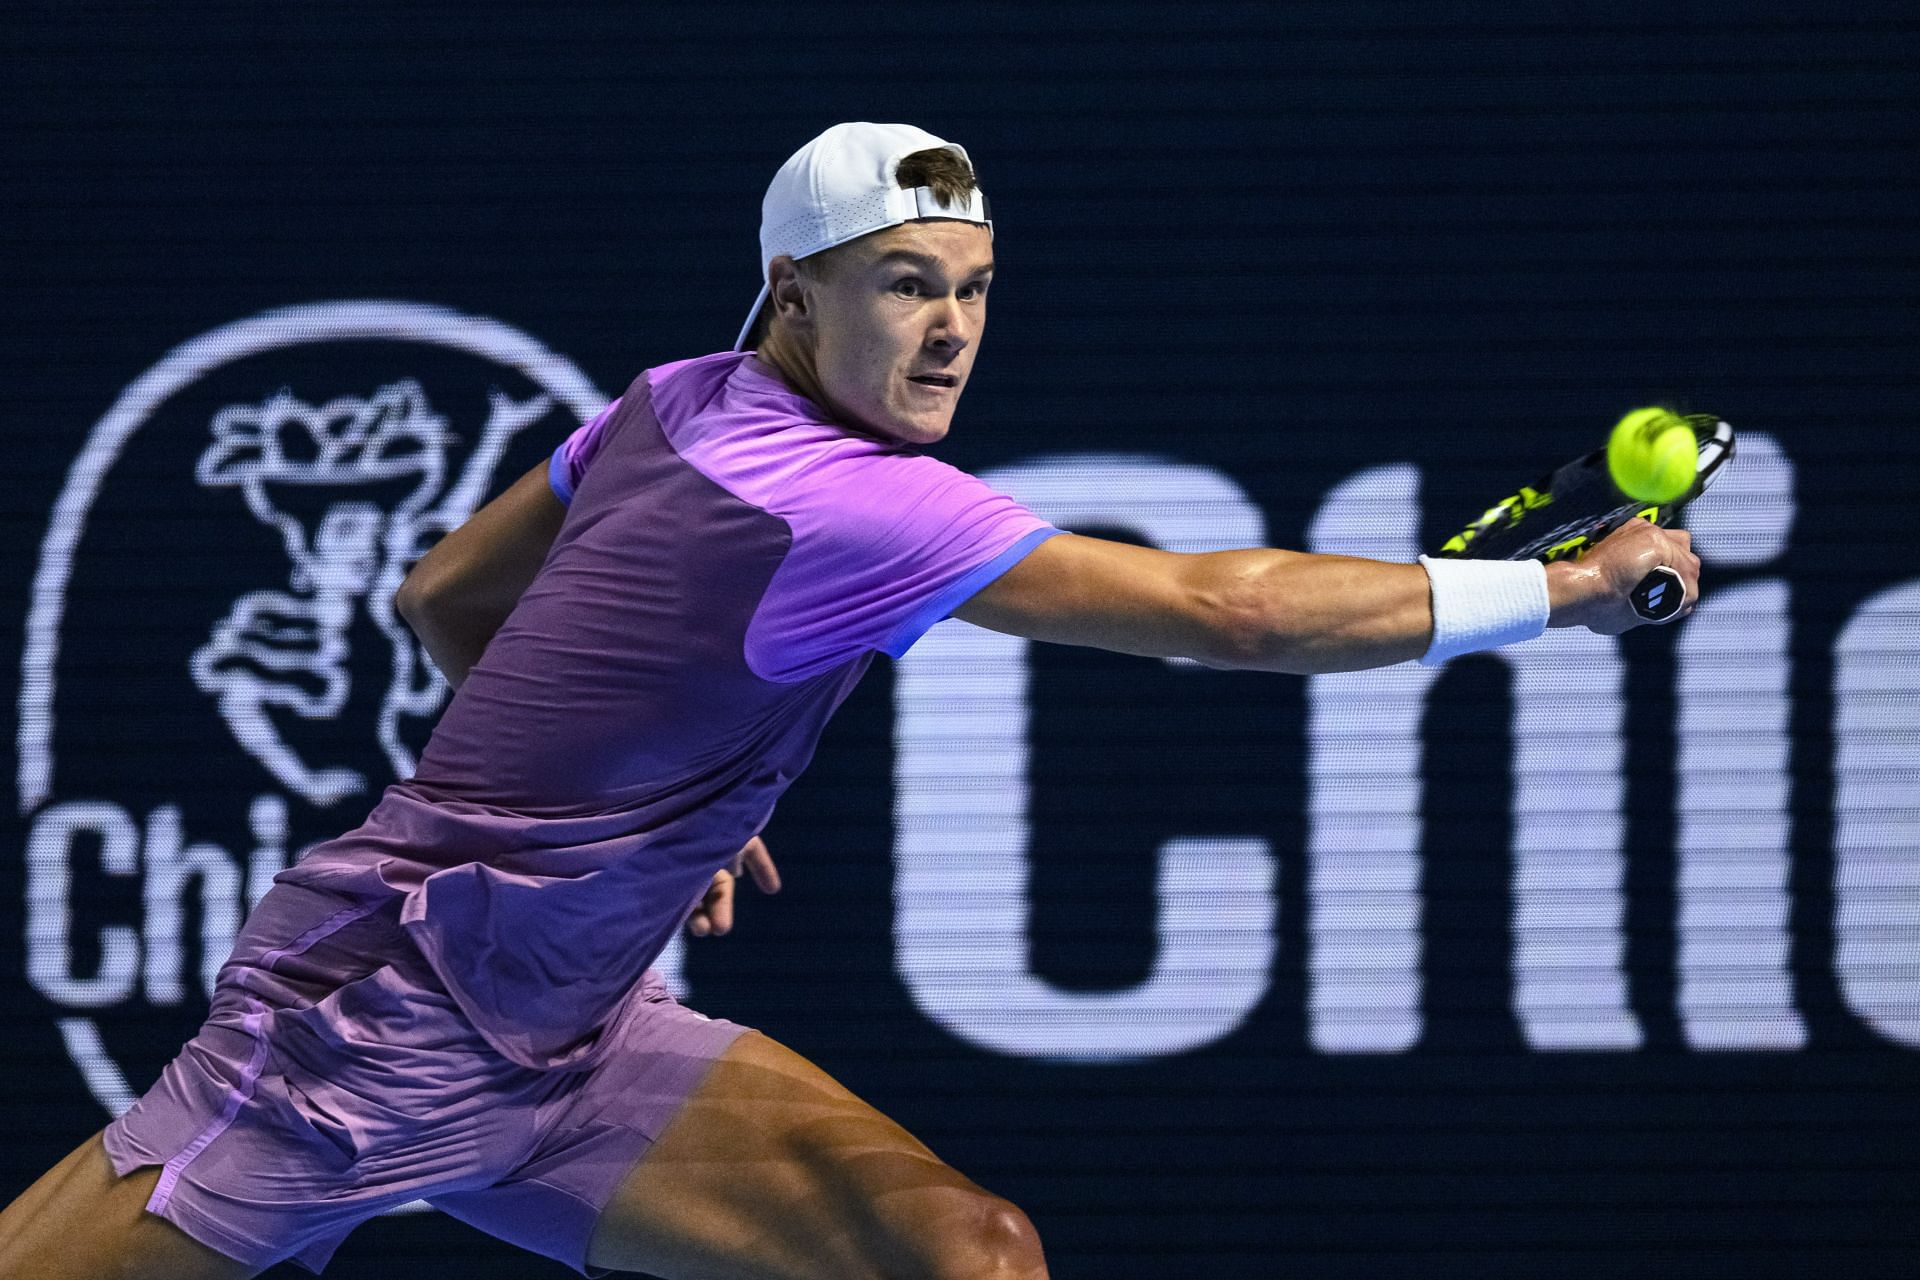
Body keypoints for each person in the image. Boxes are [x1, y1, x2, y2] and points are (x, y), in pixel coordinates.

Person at [0, 121, 1700, 1280]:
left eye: (971, 287)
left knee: (967, 1255)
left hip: (570, 1031)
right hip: (368, 1035)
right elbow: (1228, 614)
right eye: (906, 285)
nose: (953, 329)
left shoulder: (672, 398)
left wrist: (638, 826)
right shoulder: (853, 501)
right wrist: (1557, 587)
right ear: (794, 294)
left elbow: (445, 598)